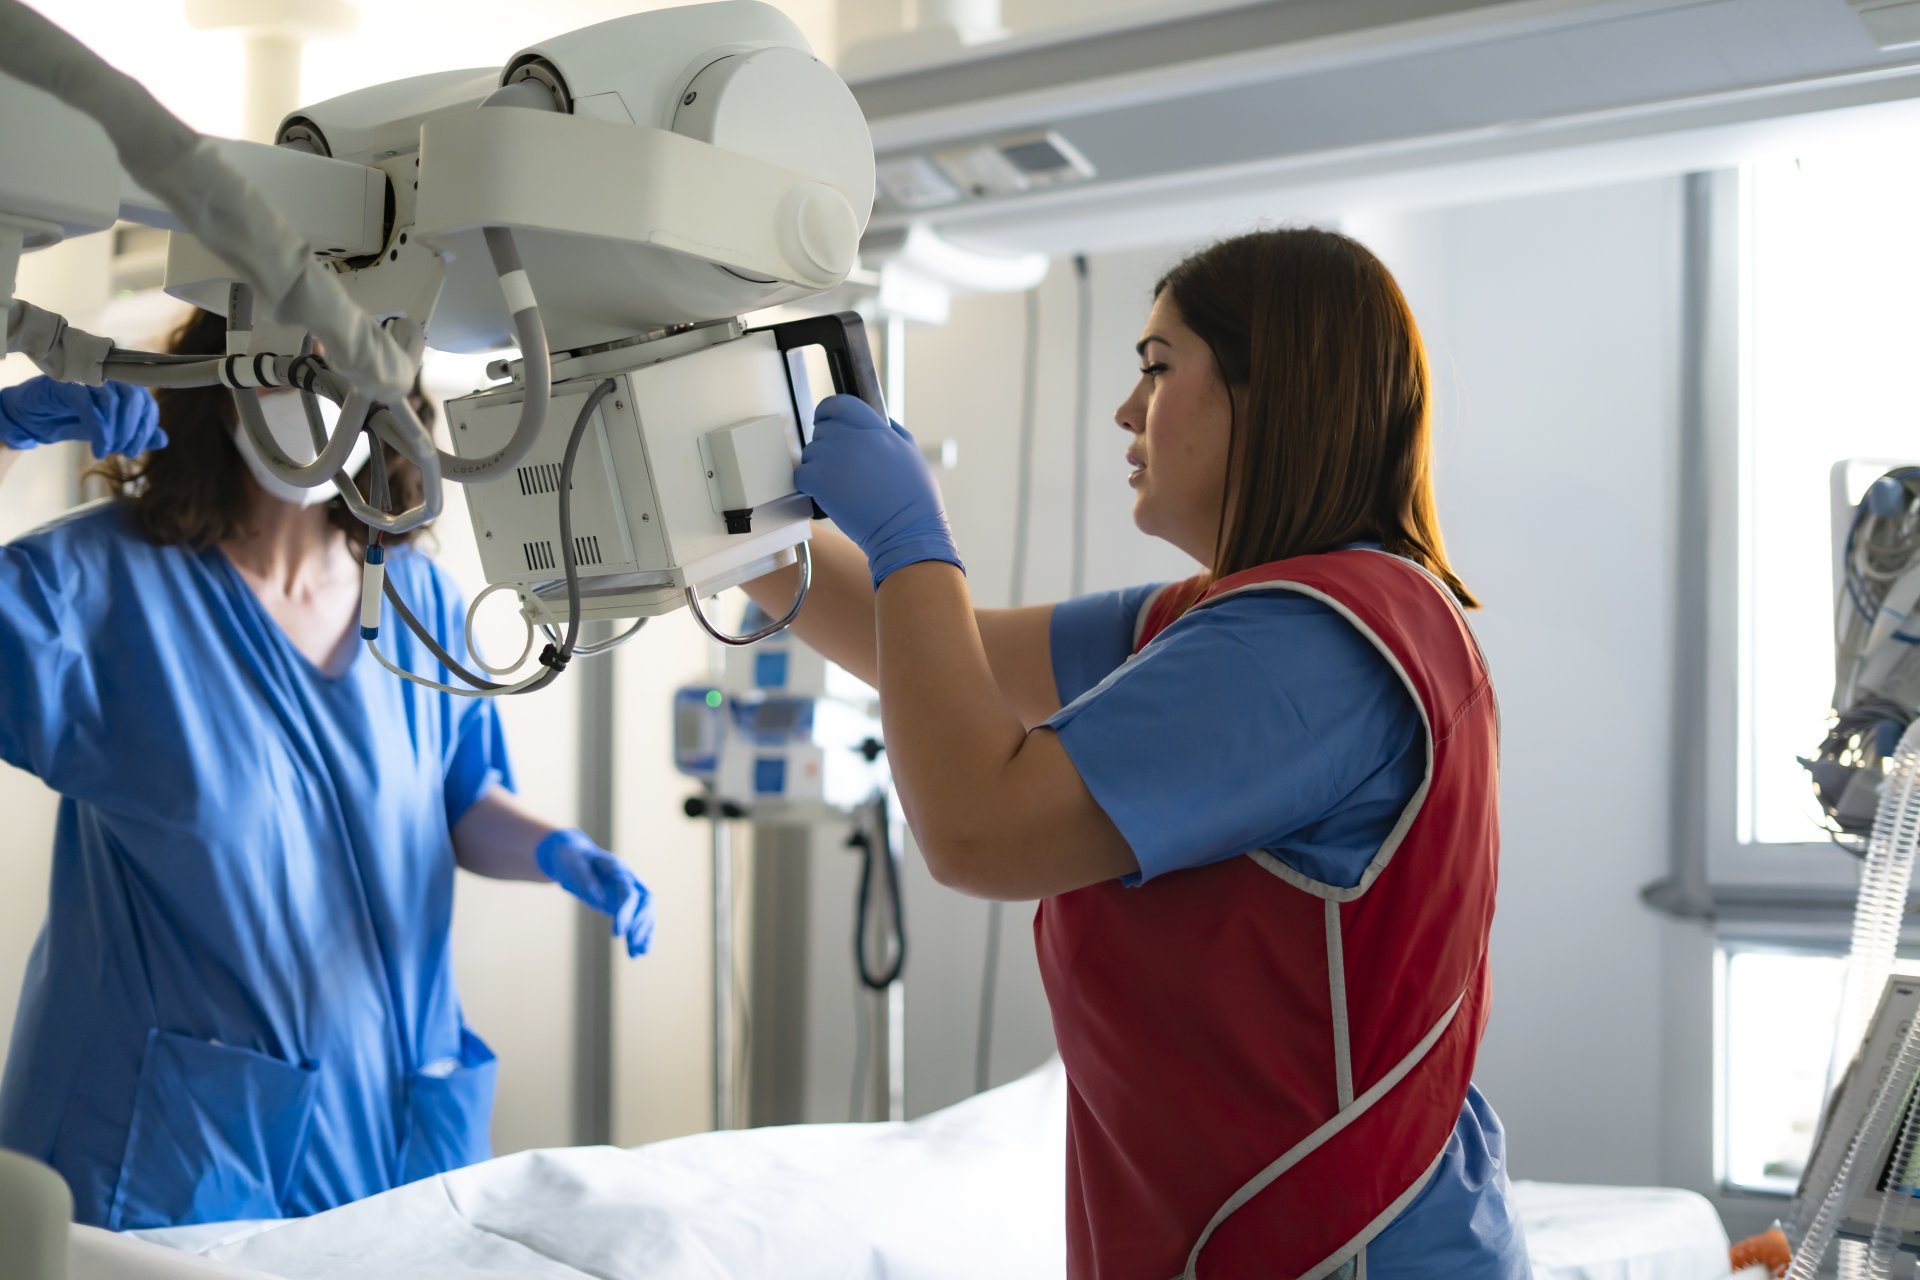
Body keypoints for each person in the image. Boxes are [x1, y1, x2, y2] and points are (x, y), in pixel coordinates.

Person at [747, 229, 1525, 1278]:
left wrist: (914, 537)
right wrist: (735, 532)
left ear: (1273, 391)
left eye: (1157, 368)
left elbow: (980, 828)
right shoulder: (1264, 615)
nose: (1126, 408)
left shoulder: (1310, 647)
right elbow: (943, 654)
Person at [0, 308, 656, 1230]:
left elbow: (459, 798)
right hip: (171, 1151)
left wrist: (558, 850)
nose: (313, 390)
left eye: (340, 361)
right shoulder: (103, 589)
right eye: (285, 361)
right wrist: (6, 434)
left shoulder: (412, 594)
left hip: (388, 1139)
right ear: (217, 372)